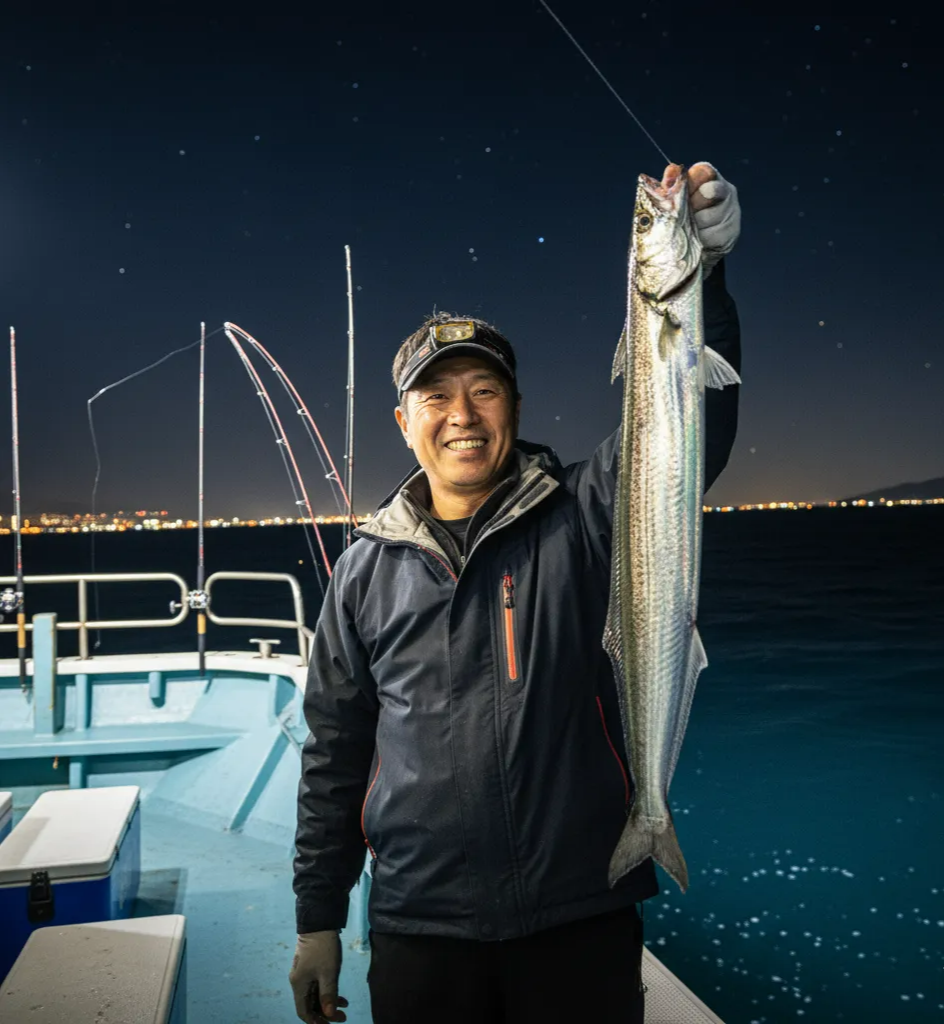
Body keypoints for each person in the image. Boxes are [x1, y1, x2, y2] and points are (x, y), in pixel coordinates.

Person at [290, 161, 742, 1024]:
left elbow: (691, 429)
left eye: (485, 390)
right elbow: (334, 756)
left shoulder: (585, 511)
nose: (463, 413)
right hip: (421, 927)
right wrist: (319, 922)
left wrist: (708, 282)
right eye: (437, 396)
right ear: (404, 421)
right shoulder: (361, 573)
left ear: (515, 406)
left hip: (579, 912)